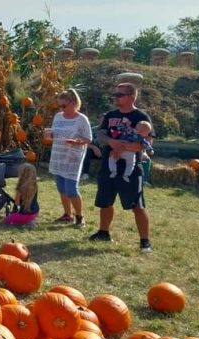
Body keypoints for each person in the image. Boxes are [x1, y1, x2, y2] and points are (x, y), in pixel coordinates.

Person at [90, 82, 154, 253]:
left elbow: (146, 143)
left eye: (120, 94)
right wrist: (111, 142)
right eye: (115, 94)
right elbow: (101, 134)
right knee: (105, 202)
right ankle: (103, 232)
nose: (116, 97)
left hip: (131, 167)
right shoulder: (110, 115)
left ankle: (145, 241)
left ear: (131, 97)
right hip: (108, 164)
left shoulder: (141, 117)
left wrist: (121, 147)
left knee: (137, 205)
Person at [49, 89, 93, 226]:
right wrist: (49, 135)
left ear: (74, 103)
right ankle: (67, 215)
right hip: (58, 156)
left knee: (71, 190)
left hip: (72, 158)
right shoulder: (58, 116)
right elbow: (54, 133)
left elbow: (88, 139)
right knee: (62, 189)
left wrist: (77, 142)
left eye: (64, 105)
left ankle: (80, 217)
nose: (61, 109)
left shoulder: (81, 119)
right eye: (60, 106)